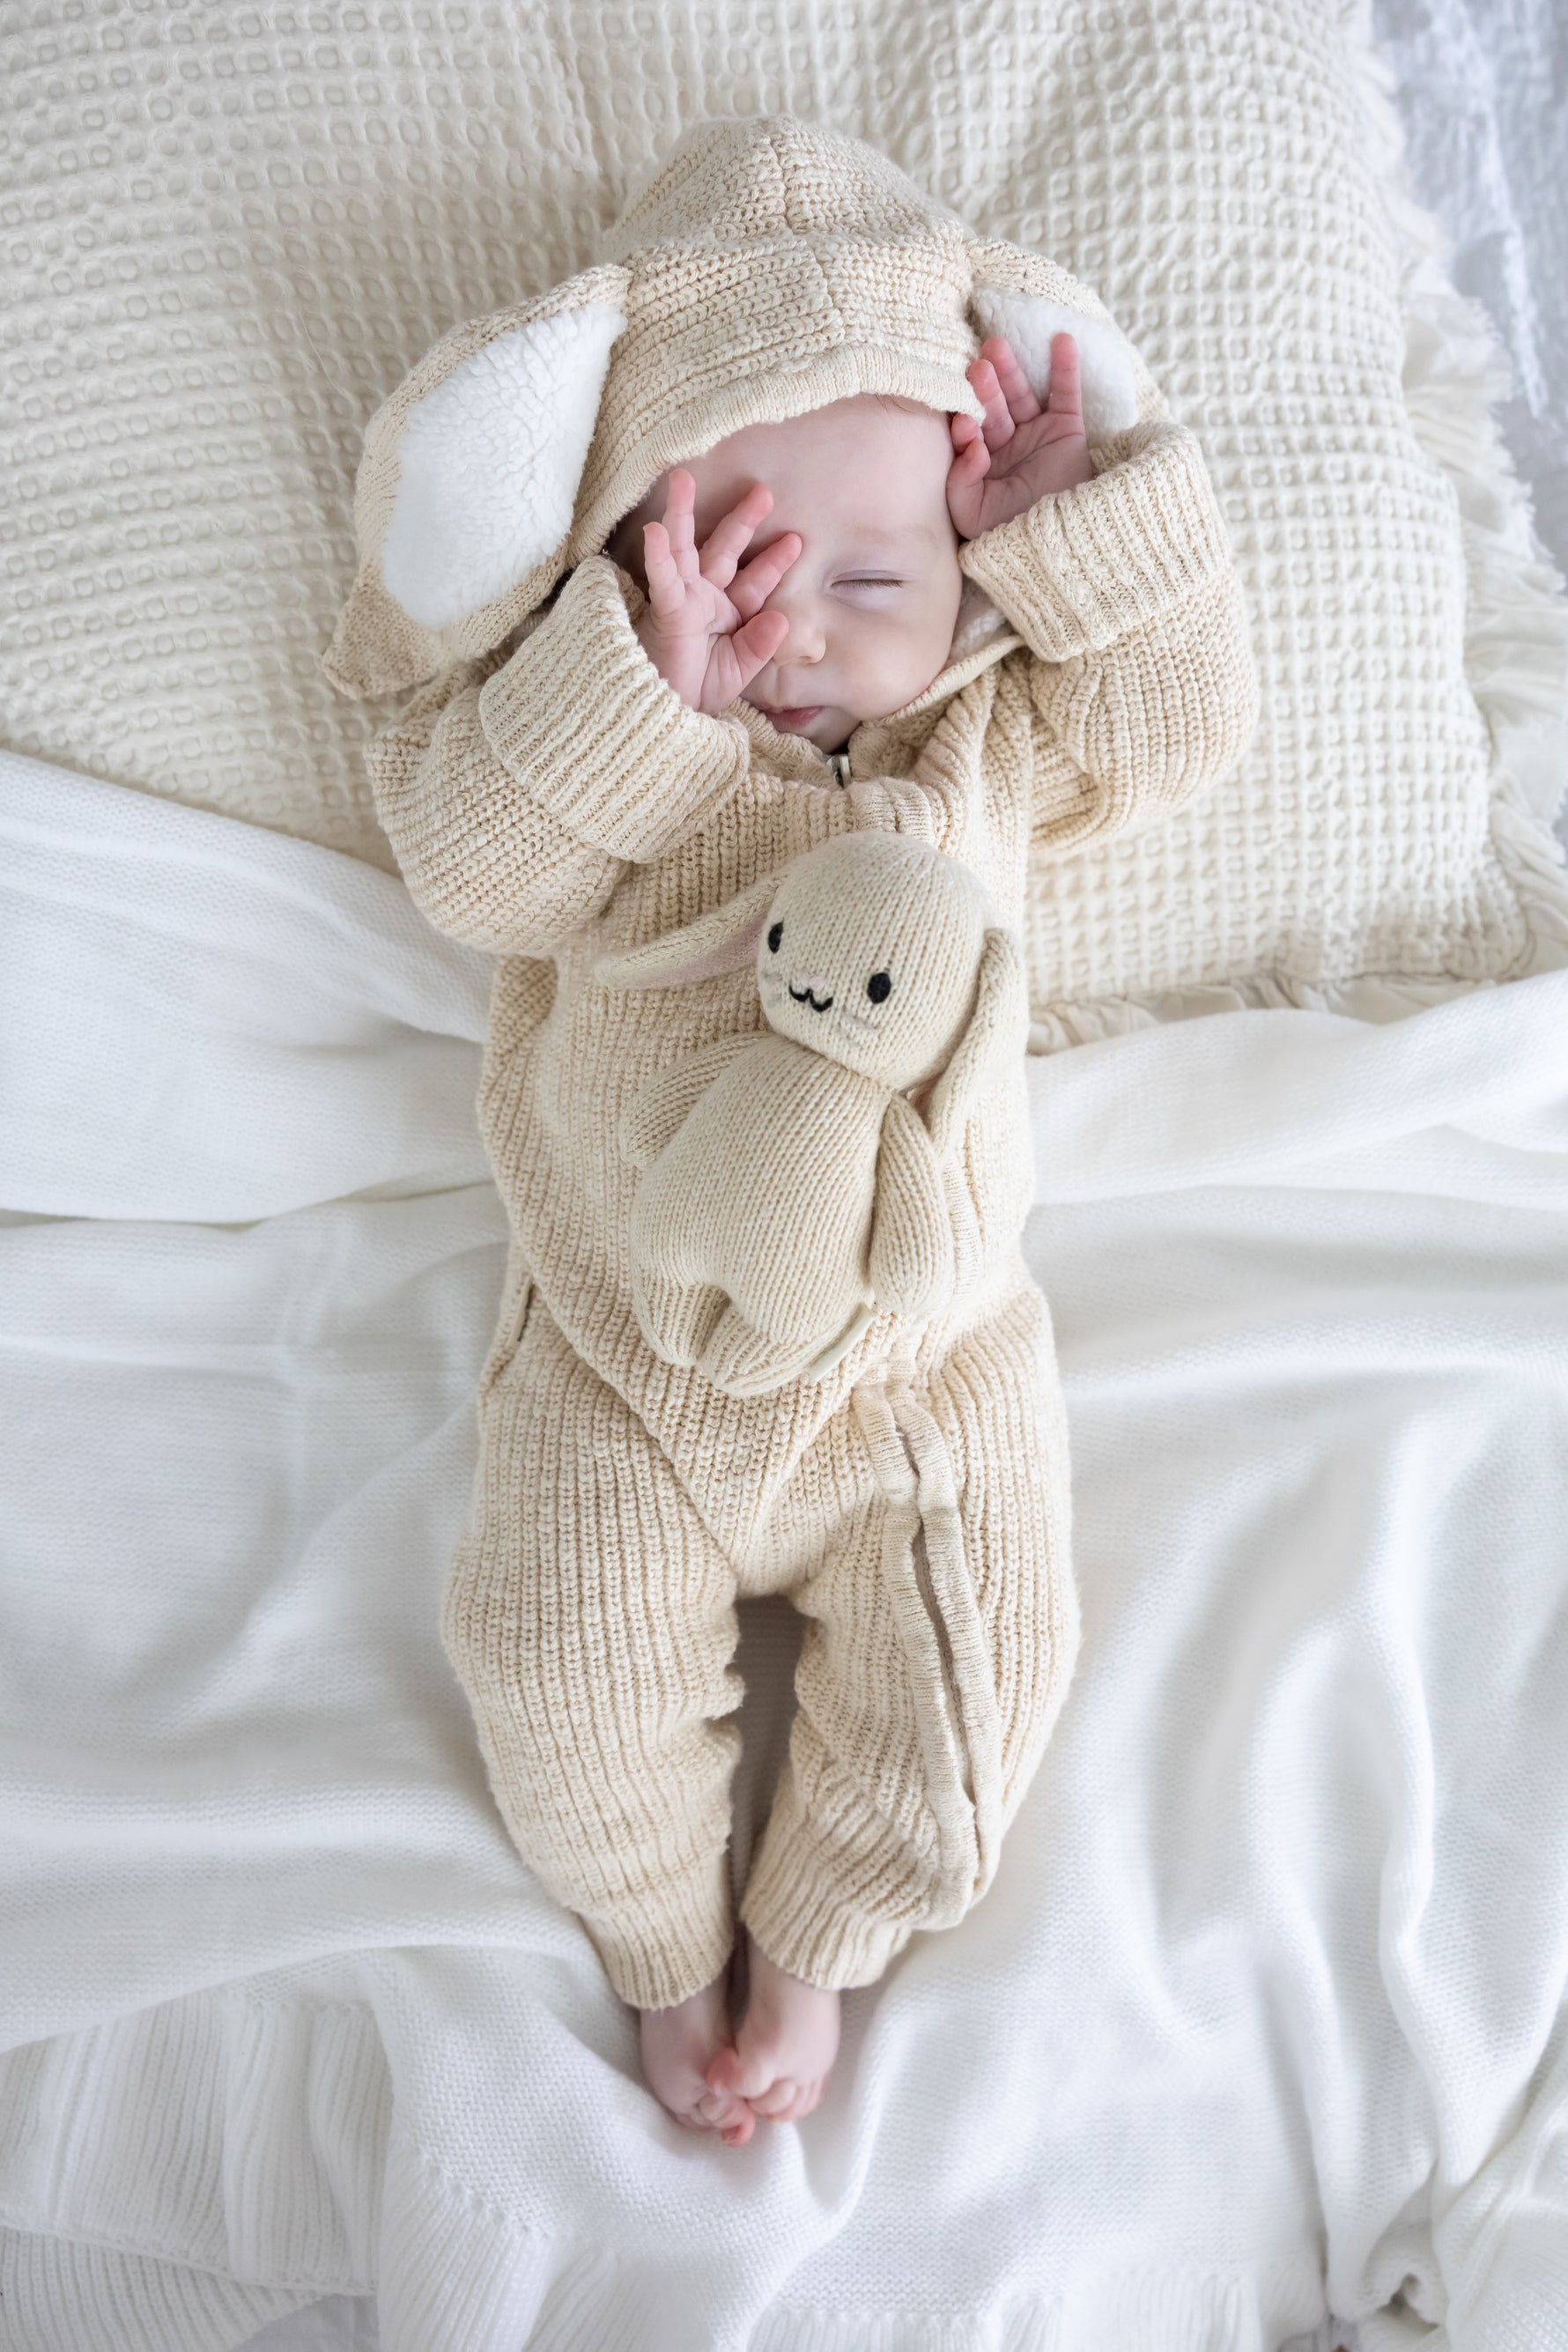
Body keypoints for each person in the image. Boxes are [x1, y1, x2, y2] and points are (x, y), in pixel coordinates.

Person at [325, 115, 1258, 2149]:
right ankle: (663, 1956)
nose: (814, 639)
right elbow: (467, 871)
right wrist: (636, 691)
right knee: (552, 1657)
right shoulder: (626, 768)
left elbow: (1180, 736)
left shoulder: (986, 736)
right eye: (748, 574)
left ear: (963, 582)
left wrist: (1064, 532)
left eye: (873, 577)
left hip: (922, 1363)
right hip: (618, 1352)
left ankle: (813, 1955)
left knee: (977, 1685)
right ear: (632, 560)